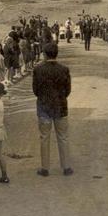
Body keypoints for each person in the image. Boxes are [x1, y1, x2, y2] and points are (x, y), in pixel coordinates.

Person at [32, 42, 73, 177]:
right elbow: (68, 90)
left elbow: (35, 90)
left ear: (44, 54)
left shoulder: (38, 70)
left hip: (44, 106)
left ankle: (45, 168)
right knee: (63, 137)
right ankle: (66, 167)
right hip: (61, 106)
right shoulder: (64, 69)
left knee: (44, 137)